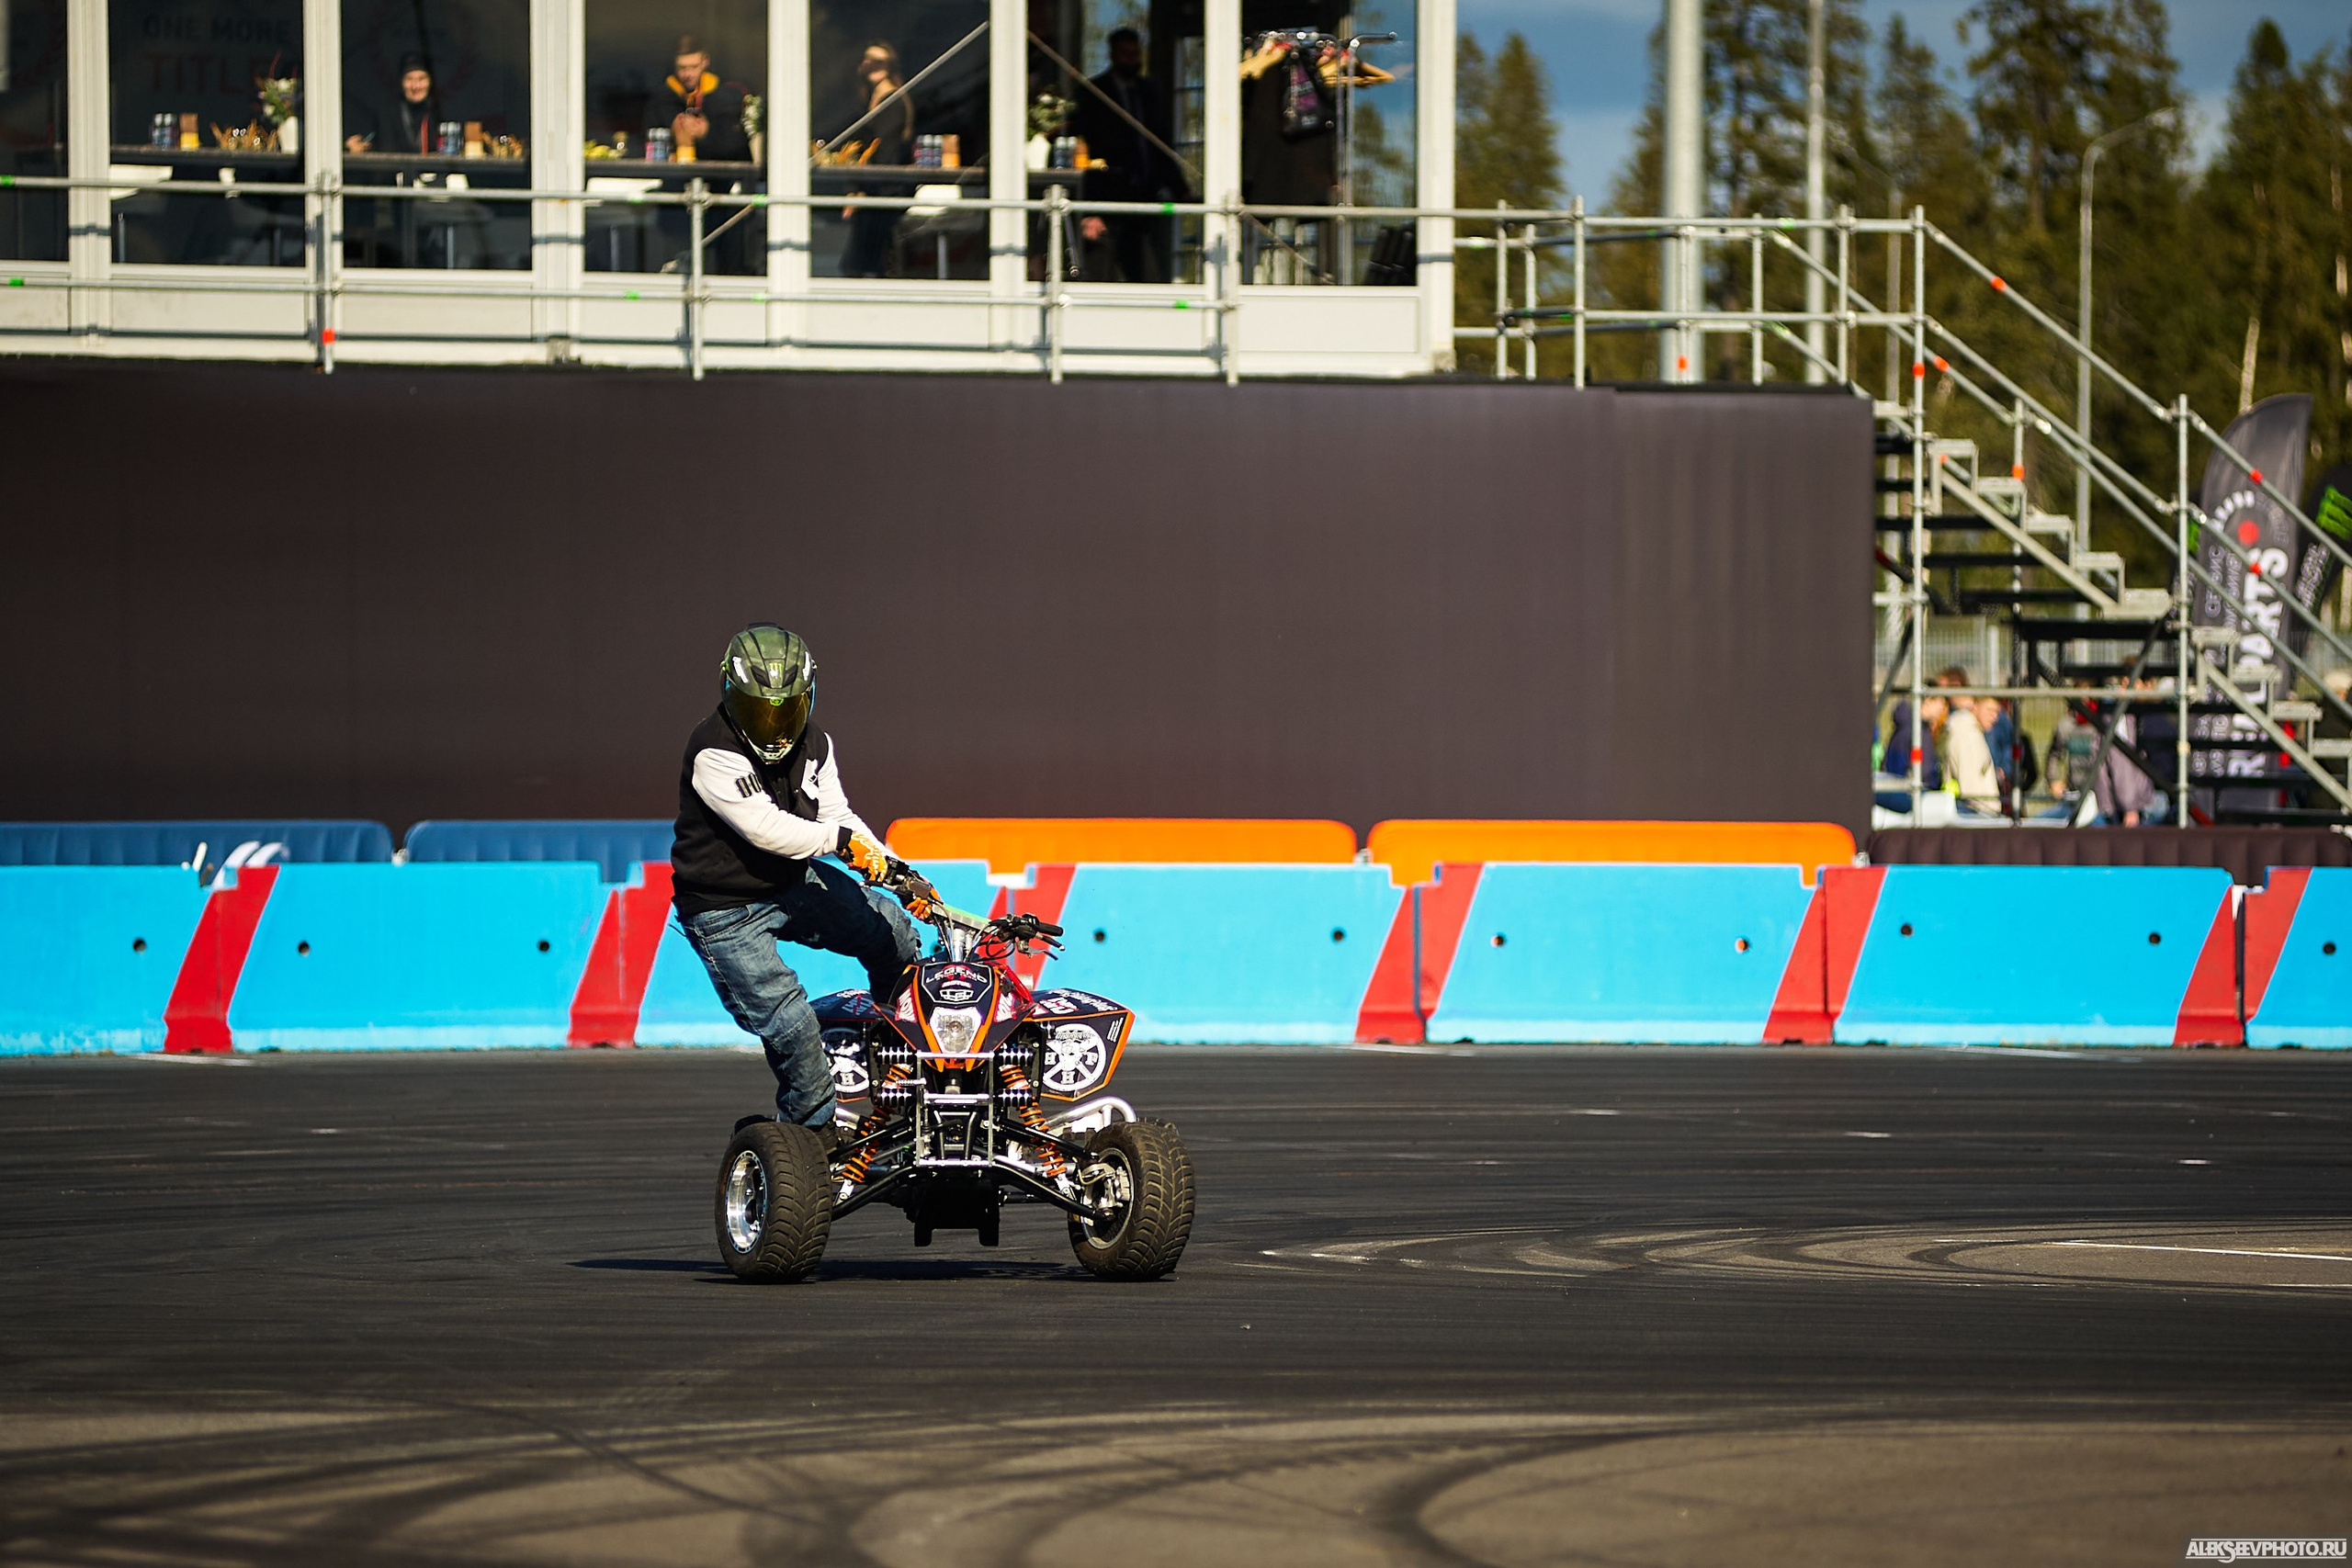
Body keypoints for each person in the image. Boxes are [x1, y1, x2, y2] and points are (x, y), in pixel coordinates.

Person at [671, 625, 936, 1134]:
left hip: (790, 884)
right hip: (724, 911)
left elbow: (838, 813)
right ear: (729, 694)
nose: (772, 725)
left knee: (896, 936)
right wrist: (840, 843)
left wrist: (899, 872)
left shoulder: (818, 744)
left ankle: (901, 1075)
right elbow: (768, 829)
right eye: (757, 709)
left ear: (808, 696)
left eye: (785, 708)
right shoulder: (713, 753)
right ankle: (807, 1140)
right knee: (792, 1026)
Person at [1073, 28, 1183, 283]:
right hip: (1108, 198)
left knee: (1148, 276)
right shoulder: (1094, 93)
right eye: (1125, 54)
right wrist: (1090, 207)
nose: (1131, 60)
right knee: (1102, 273)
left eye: (1135, 54)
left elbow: (1160, 144)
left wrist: (1178, 186)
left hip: (1145, 198)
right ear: (1112, 55)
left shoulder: (1149, 92)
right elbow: (1086, 149)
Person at [840, 41, 912, 277]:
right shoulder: (868, 101)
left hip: (883, 191)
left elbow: (885, 151)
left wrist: (862, 191)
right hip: (870, 190)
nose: (871, 66)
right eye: (867, 60)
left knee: (867, 264)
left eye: (879, 61)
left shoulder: (893, 102)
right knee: (858, 263)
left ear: (890, 66)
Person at [654, 36, 752, 163]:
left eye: (694, 67)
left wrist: (706, 132)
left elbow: (736, 146)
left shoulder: (725, 96)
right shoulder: (662, 98)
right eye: (682, 68)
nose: (688, 74)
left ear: (705, 61)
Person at [346, 53, 438, 155]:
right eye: (409, 79)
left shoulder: (438, 113)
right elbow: (366, 142)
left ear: (430, 82)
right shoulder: (386, 112)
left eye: (421, 79)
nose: (415, 86)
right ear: (401, 82)